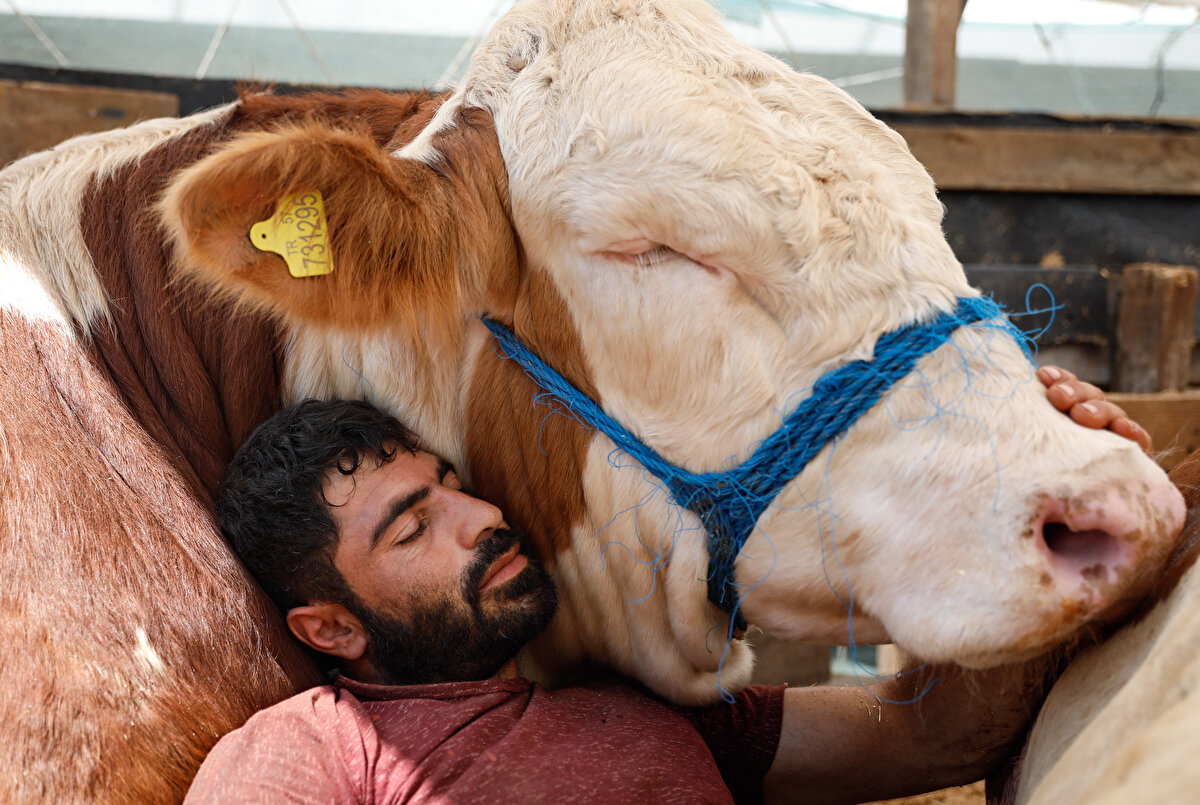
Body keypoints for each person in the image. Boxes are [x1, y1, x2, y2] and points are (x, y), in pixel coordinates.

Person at [184, 367, 1149, 805]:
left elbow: (935, 736)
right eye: (412, 527)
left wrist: (1034, 503)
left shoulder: (647, 700)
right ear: (331, 627)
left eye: (451, 485)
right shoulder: (315, 749)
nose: (478, 516)